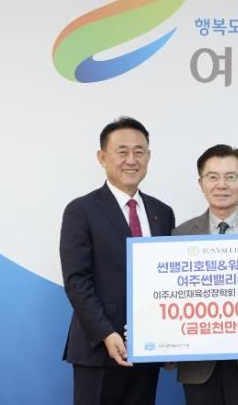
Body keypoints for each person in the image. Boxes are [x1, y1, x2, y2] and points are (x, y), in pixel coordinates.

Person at [60, 117, 175, 405]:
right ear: (102, 157)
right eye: (122, 152)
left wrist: (171, 339)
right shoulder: (81, 210)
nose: (131, 160)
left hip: (148, 350)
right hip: (99, 349)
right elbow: (77, 281)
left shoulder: (163, 212)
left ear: (149, 157)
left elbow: (168, 280)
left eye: (139, 152)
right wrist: (106, 333)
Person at [172, 144, 238, 405]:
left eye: (231, 176)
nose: (222, 185)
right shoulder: (179, 235)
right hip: (199, 366)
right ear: (201, 183)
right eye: (212, 177)